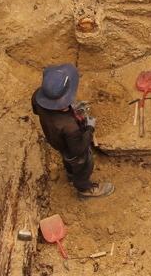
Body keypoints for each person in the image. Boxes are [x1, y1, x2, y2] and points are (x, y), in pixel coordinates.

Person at [32, 63, 114, 198]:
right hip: (74, 149)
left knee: (68, 158)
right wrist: (89, 128)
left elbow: (36, 111)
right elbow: (79, 148)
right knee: (83, 167)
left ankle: (70, 173)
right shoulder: (70, 127)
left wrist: (67, 111)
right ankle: (84, 189)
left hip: (57, 141)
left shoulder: (38, 97)